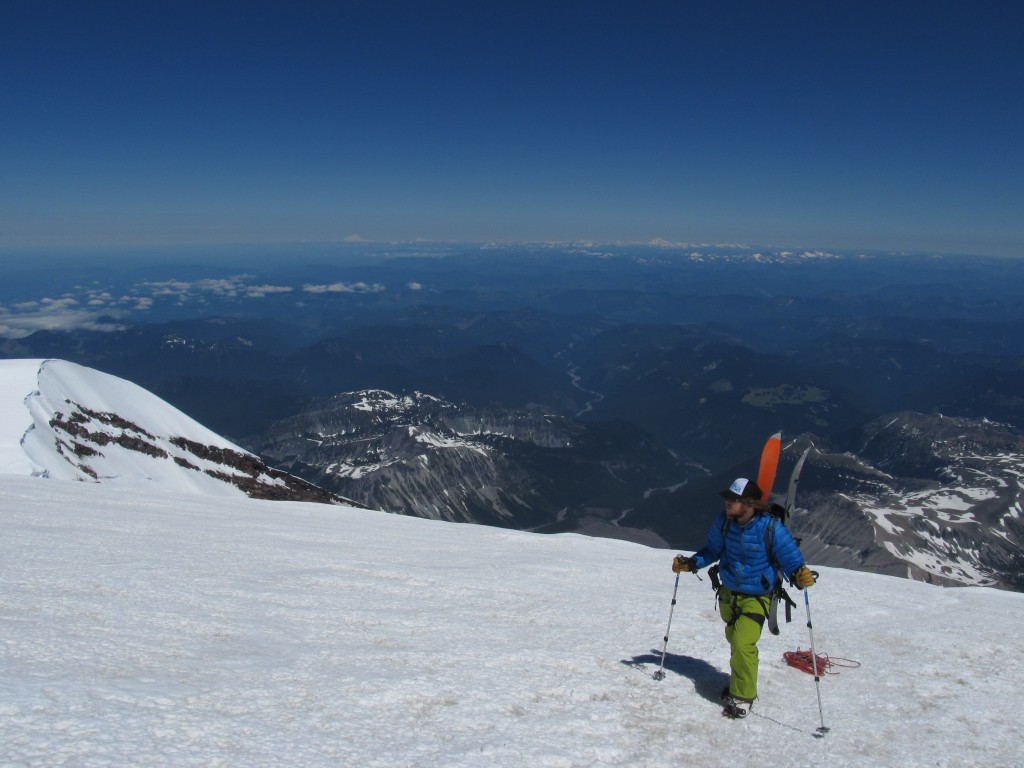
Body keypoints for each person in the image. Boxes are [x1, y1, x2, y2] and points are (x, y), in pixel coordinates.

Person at [672, 477, 816, 719]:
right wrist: (692, 563)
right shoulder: (724, 522)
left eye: (733, 500)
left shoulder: (771, 528)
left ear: (748, 504)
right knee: (734, 638)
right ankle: (738, 682)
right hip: (729, 594)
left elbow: (790, 558)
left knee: (742, 642)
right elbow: (712, 550)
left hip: (757, 596)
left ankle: (744, 697)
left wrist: (799, 574)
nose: (727, 503)